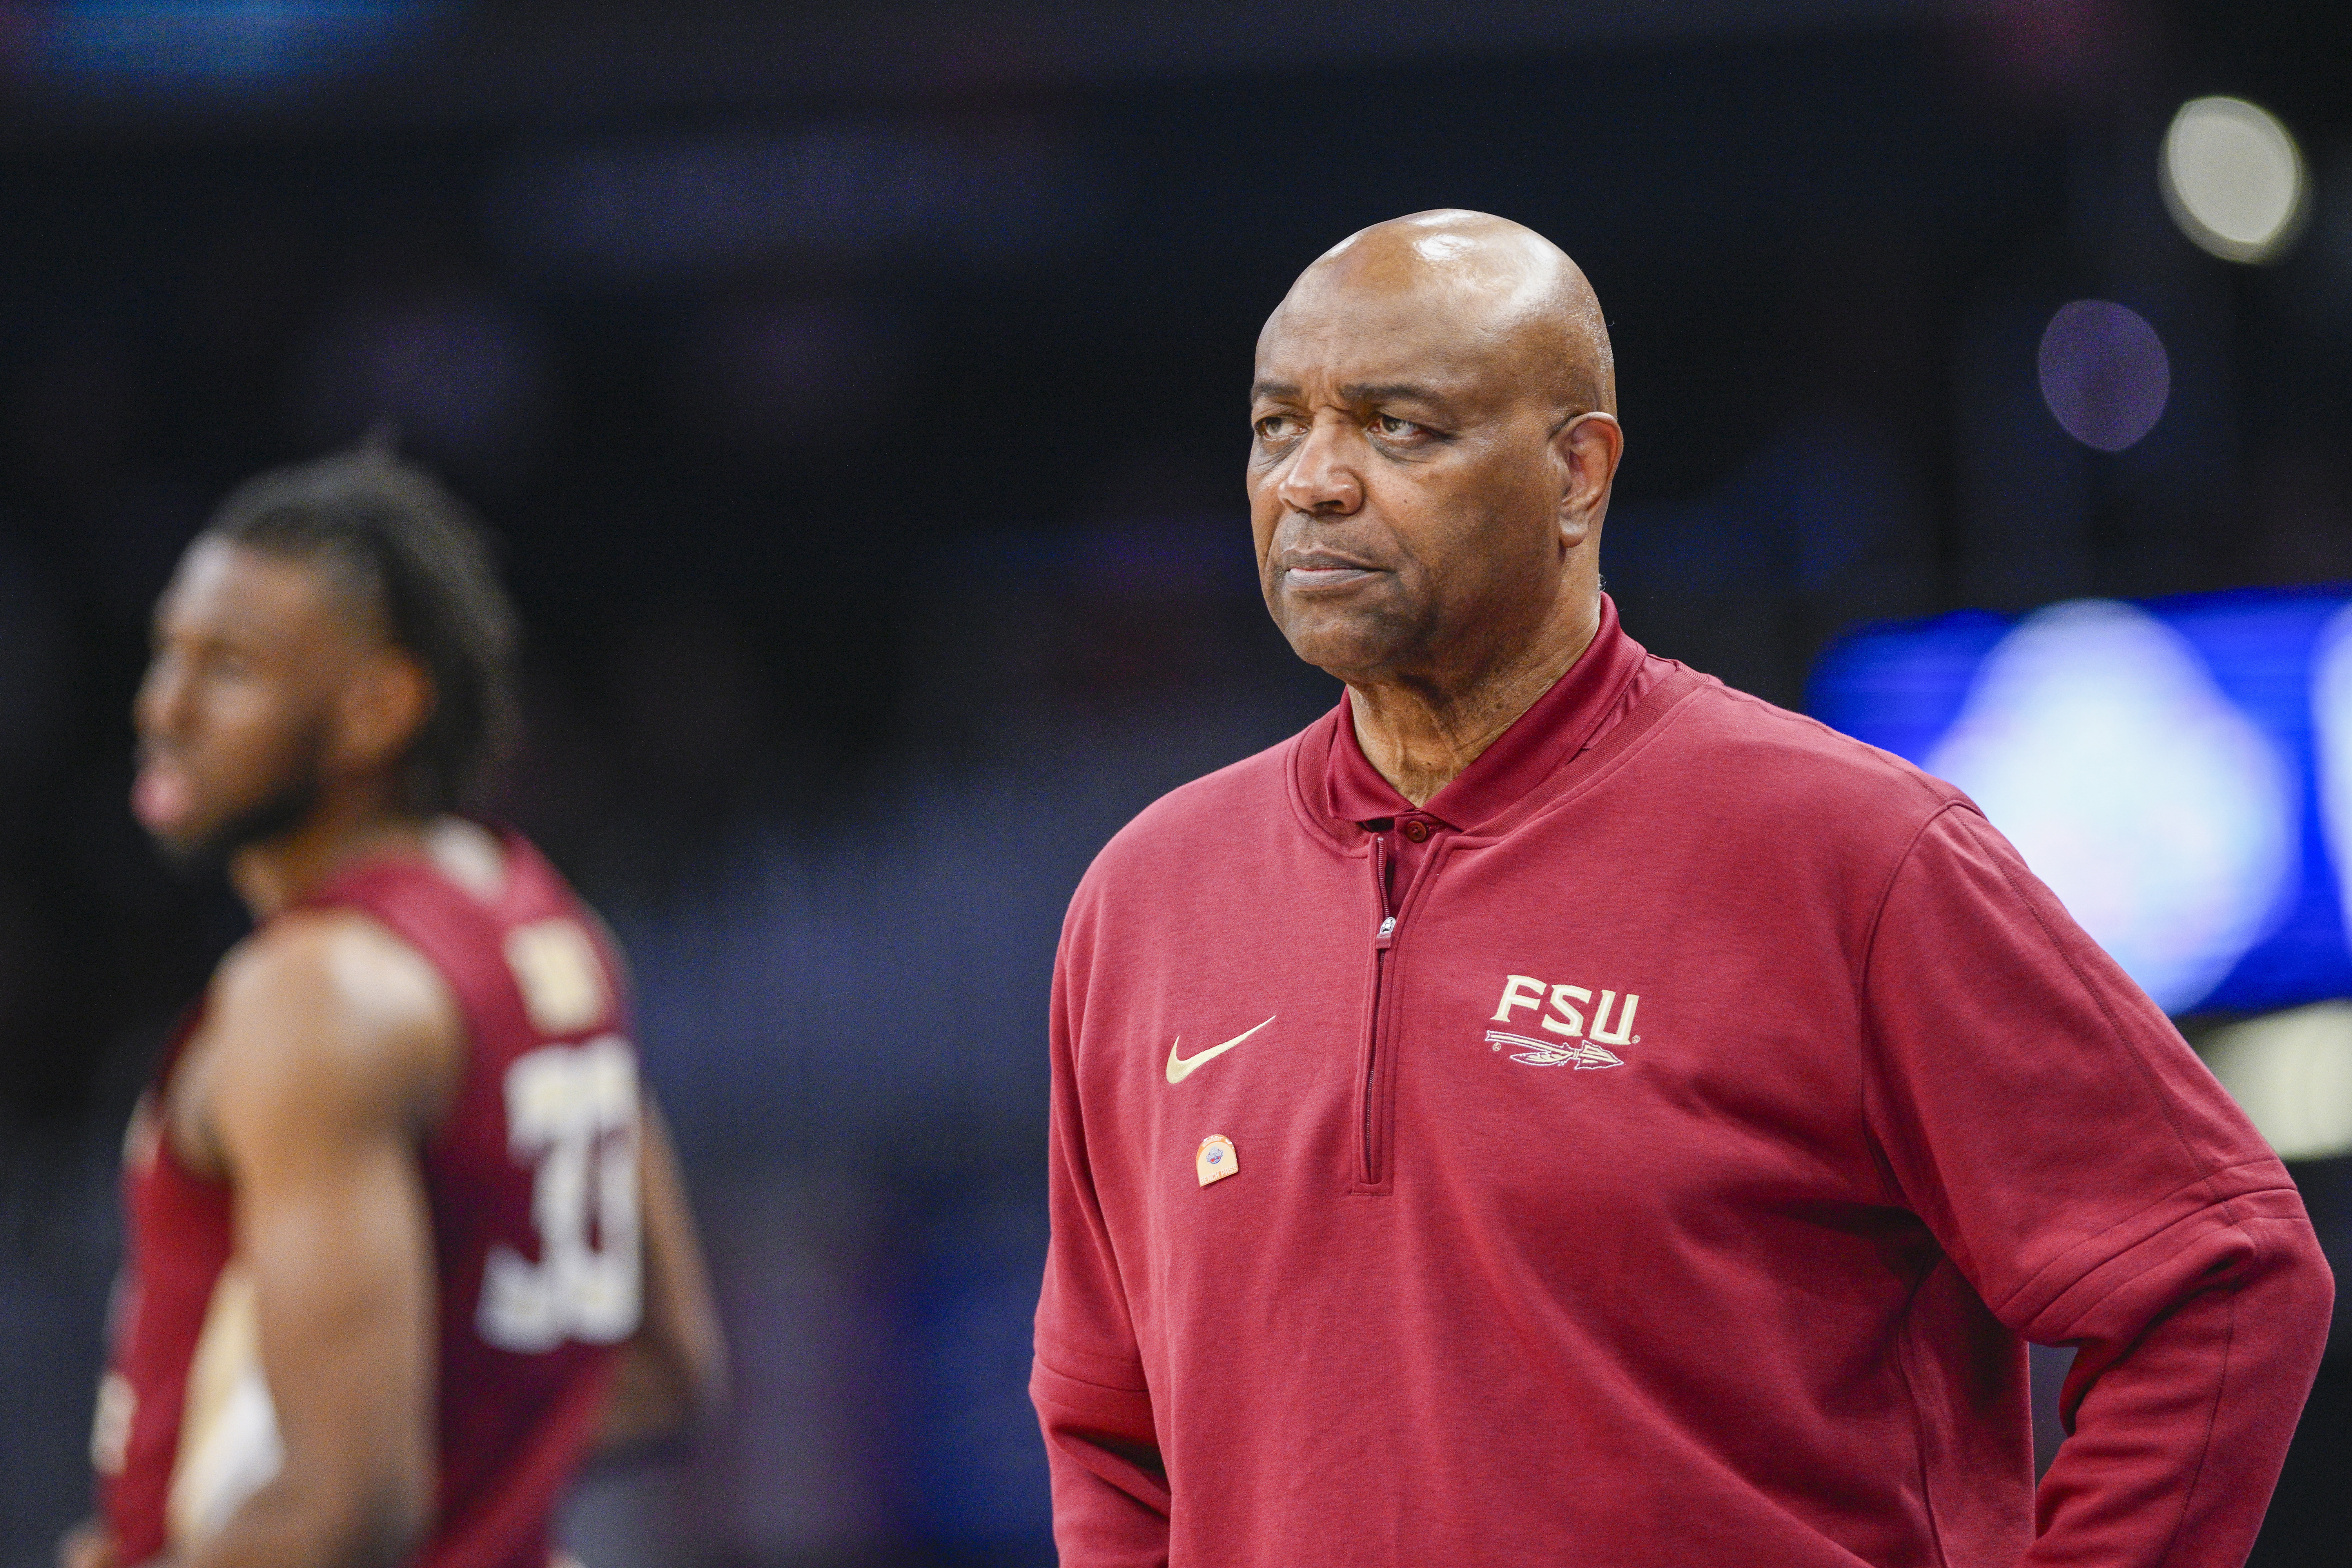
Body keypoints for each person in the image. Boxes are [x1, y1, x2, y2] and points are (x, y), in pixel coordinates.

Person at [1030, 210, 2333, 1566]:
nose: (1313, 481)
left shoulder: (1854, 853)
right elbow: (1108, 1429)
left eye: (1397, 427)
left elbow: (2220, 1272)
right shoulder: (1147, 900)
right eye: (1276, 426)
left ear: (1578, 475)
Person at [61, 447, 726, 1568]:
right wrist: (482, 1496)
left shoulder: (318, 991)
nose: (162, 706)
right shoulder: (546, 927)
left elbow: (344, 1514)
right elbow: (664, 1371)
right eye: (167, 652)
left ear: (376, 709)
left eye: (228, 668)